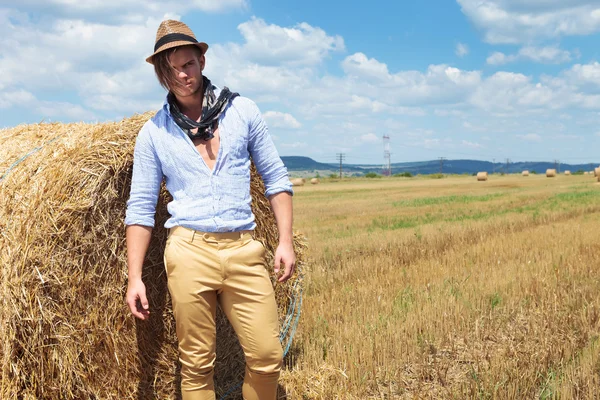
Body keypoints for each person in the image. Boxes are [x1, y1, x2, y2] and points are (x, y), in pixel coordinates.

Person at [124, 19, 295, 400]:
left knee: (267, 357)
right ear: (161, 74)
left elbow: (276, 178)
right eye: (171, 69)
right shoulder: (153, 133)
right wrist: (135, 276)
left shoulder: (243, 111)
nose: (181, 75)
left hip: (244, 249)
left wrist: (285, 241)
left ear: (201, 59)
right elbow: (140, 207)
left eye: (187, 64)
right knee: (198, 364)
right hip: (189, 251)